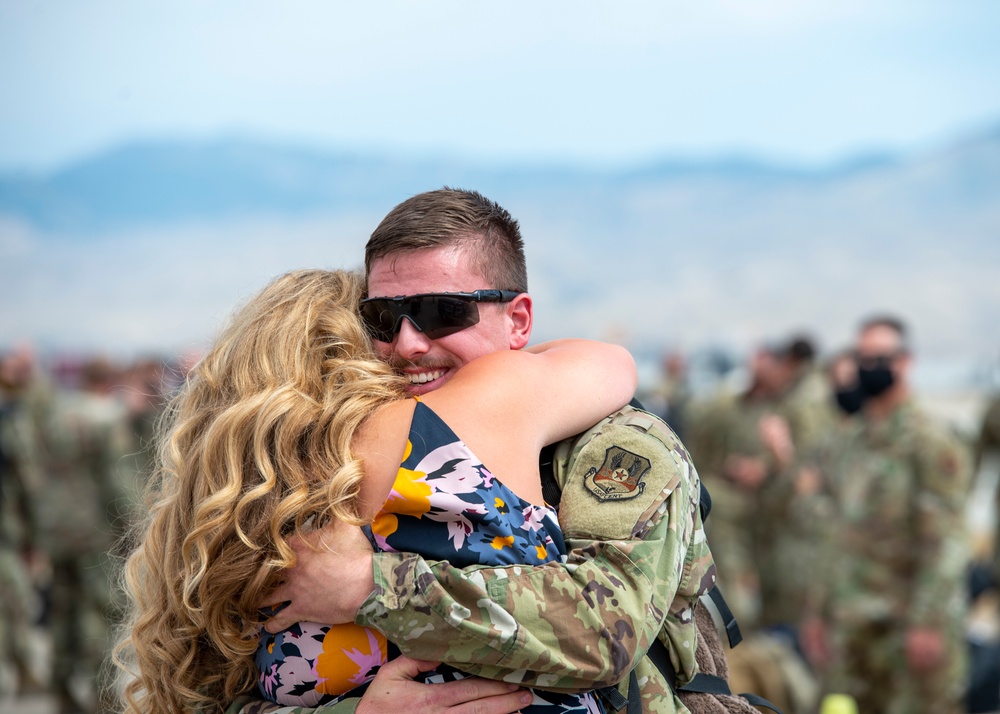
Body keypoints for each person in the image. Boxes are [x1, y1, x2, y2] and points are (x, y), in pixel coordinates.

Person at [243, 188, 721, 714]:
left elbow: (606, 630)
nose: (408, 344)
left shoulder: (614, 443)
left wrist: (370, 587)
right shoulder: (329, 465)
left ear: (518, 321)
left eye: (441, 311)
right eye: (381, 318)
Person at [115, 268, 642, 713]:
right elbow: (609, 362)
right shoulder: (439, 425)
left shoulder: (233, 509)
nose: (408, 342)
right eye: (386, 323)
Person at [810, 316, 971, 714]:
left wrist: (927, 622)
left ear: (905, 362)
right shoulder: (850, 441)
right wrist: (817, 612)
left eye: (881, 357)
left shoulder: (931, 442)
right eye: (863, 357)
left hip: (909, 632)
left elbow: (946, 544)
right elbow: (834, 534)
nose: (870, 367)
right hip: (855, 634)